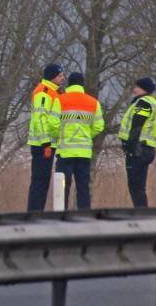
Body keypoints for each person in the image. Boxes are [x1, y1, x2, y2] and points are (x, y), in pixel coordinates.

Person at [55, 72, 104, 209]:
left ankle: (61, 215)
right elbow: (99, 126)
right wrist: (87, 135)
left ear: (69, 84)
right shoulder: (93, 102)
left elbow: (52, 124)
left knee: (63, 187)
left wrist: (59, 136)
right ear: (82, 84)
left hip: (65, 152)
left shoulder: (60, 100)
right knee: (83, 187)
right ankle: (85, 216)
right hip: (83, 152)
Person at [118, 77, 156, 208]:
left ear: (144, 89)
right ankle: (142, 211)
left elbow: (137, 126)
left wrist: (129, 147)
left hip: (139, 149)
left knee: (135, 186)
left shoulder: (143, 103)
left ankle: (141, 212)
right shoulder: (153, 103)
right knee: (139, 186)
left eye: (137, 87)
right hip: (147, 149)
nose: (134, 89)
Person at [27, 63, 64, 211]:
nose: (63, 78)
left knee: (42, 181)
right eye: (60, 75)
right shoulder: (44, 92)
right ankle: (35, 213)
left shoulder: (52, 92)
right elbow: (39, 118)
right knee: (39, 182)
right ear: (52, 77)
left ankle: (37, 212)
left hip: (46, 144)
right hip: (43, 145)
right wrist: (46, 143)